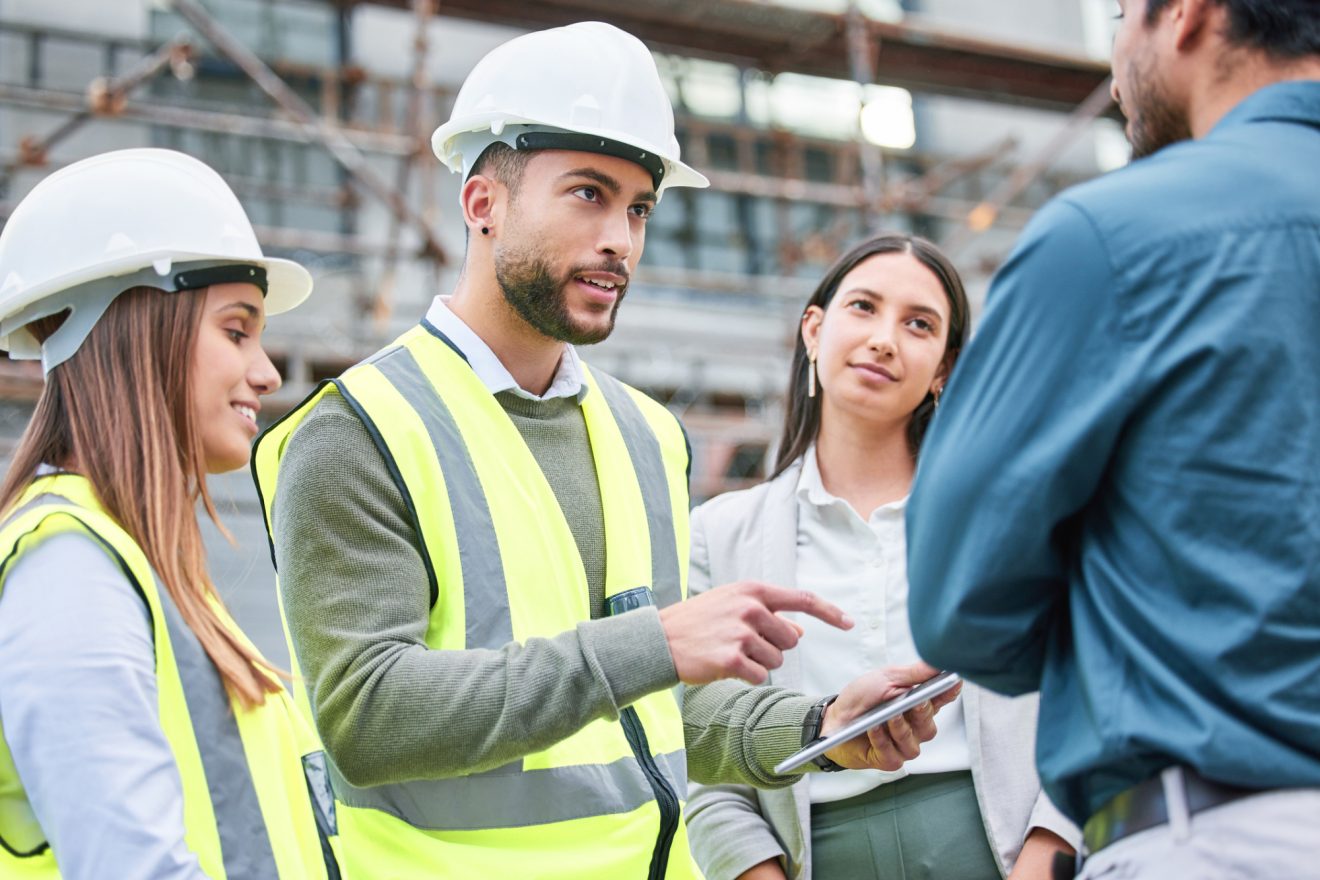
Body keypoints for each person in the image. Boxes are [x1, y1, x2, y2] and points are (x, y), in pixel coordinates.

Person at [252, 20, 944, 880]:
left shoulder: (647, 436)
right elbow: (367, 716)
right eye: (588, 194)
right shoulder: (356, 430)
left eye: (639, 207)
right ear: (483, 204)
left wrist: (821, 726)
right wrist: (651, 644)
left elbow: (647, 717)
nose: (621, 237)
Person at [905, 1, 1320, 877]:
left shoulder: (1114, 234)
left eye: (1123, 11)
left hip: (1217, 833)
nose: (1117, 44)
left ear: (1188, 14)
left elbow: (959, 604)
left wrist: (1114, 635)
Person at [682, 234, 1079, 880]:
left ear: (944, 368)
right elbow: (704, 757)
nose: (885, 339)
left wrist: (1044, 862)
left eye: (918, 324)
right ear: (814, 329)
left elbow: (1089, 700)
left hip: (1000, 852)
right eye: (863, 307)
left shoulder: (1013, 513)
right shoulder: (721, 534)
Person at [0, 149, 340, 879]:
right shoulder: (69, 570)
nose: (268, 372)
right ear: (135, 330)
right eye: (236, 330)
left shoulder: (137, 566)